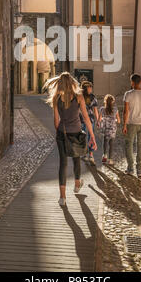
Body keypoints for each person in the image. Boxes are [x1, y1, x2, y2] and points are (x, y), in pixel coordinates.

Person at [43, 72, 97, 207]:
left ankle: (62, 197)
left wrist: (60, 132)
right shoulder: (79, 97)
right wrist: (92, 135)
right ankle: (77, 184)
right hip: (77, 132)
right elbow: (85, 117)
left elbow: (56, 121)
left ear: (60, 84)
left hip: (63, 133)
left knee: (63, 163)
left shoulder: (56, 98)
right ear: (72, 83)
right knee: (76, 158)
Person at [80, 81, 99, 165]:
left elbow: (95, 110)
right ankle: (87, 154)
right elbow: (95, 110)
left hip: (86, 120)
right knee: (86, 137)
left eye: (91, 87)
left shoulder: (90, 97)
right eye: (90, 87)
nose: (91, 89)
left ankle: (89, 155)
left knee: (88, 137)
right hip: (84, 120)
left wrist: (98, 120)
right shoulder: (82, 97)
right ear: (85, 89)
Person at [98, 94, 120, 165]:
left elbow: (99, 119)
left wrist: (102, 121)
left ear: (105, 101)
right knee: (111, 144)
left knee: (105, 142)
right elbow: (119, 120)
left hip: (105, 128)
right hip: (112, 129)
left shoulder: (102, 109)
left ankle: (104, 156)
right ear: (112, 102)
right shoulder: (115, 109)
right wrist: (115, 120)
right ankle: (110, 160)